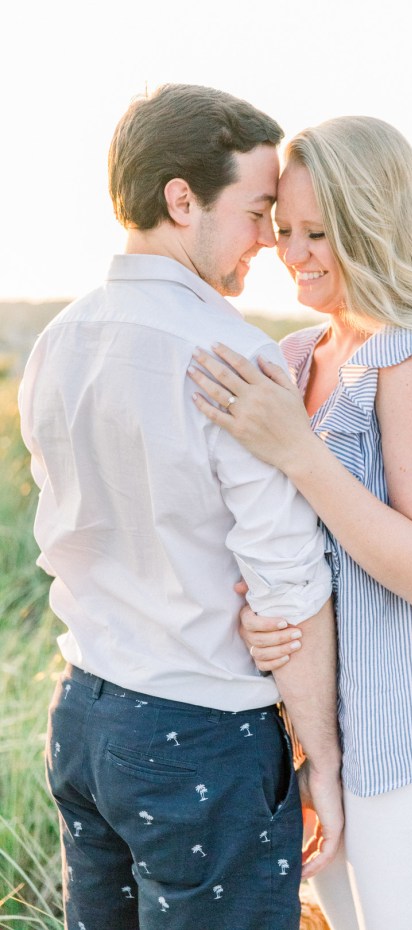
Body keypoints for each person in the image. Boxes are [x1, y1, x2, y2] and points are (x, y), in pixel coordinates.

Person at [187, 115, 412, 930]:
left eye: (320, 233)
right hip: (332, 732)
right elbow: (294, 545)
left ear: (376, 226)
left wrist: (298, 454)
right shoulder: (303, 356)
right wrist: (260, 611)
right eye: (284, 231)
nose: (294, 253)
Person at [18, 84, 343, 930]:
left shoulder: (57, 344)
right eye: (257, 212)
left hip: (86, 719)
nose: (269, 244)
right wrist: (325, 763)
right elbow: (287, 584)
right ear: (180, 198)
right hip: (198, 733)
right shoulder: (233, 357)